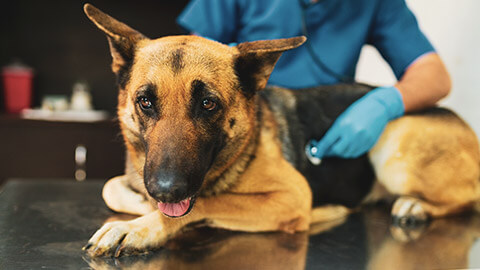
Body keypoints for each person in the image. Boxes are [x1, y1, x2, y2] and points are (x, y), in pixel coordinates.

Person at [177, 0, 451, 159]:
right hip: (249, 138)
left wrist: (385, 103)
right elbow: (190, 58)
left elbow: (434, 75)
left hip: (325, 136)